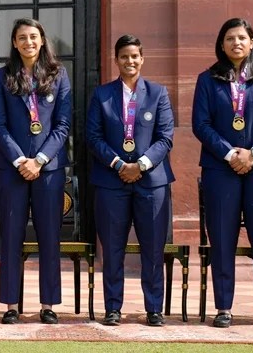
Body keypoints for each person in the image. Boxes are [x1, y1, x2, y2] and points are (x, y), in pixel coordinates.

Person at [192, 17, 253, 329]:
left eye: (242, 37)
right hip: (221, 168)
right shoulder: (208, 79)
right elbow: (200, 125)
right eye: (230, 38)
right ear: (222, 43)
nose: (236, 43)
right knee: (222, 237)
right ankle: (224, 307)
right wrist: (230, 153)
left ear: (252, 42)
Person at [86, 34, 175, 327]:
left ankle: (154, 308)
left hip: (151, 183)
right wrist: (119, 163)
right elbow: (93, 137)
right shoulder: (102, 95)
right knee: (112, 249)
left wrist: (142, 164)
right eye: (124, 56)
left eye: (135, 56)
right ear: (116, 60)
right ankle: (113, 307)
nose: (130, 61)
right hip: (112, 180)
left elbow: (165, 137)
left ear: (142, 58)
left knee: (152, 249)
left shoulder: (158, 93)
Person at [0, 17, 71, 325]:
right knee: (11, 236)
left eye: (33, 37)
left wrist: (40, 161)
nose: (28, 42)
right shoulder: (2, 76)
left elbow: (63, 125)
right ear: (14, 42)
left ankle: (48, 304)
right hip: (13, 169)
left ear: (42, 39)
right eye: (22, 37)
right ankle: (11, 304)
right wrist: (21, 160)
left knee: (49, 237)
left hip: (48, 171)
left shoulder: (58, 75)